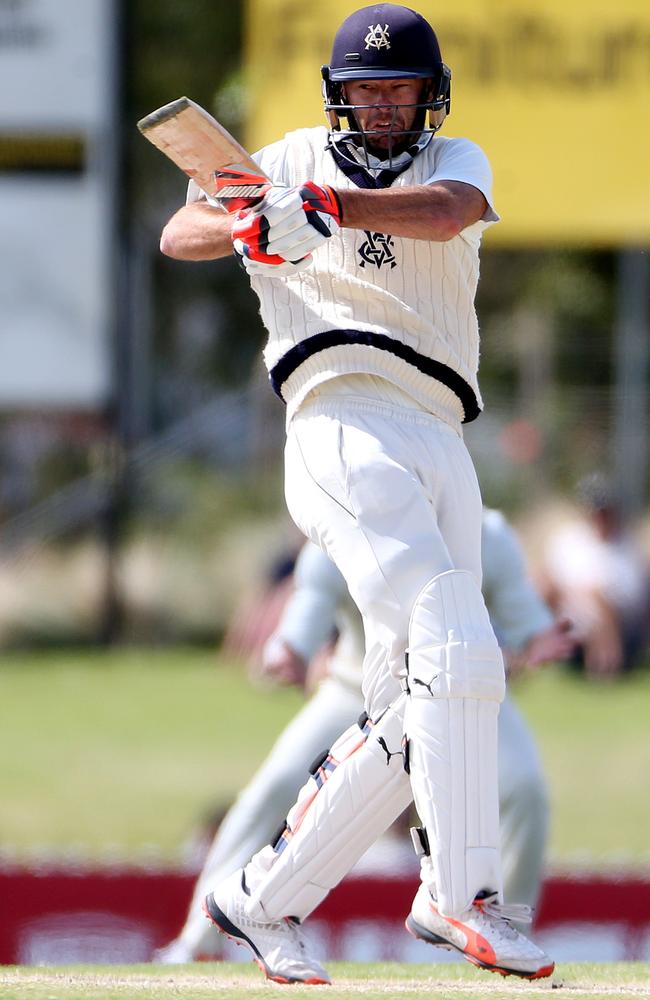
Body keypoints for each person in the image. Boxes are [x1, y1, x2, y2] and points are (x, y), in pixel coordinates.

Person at [160, 3, 555, 983]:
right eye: (367, 88)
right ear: (340, 96)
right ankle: (458, 895)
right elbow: (180, 231)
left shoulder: (453, 160)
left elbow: (445, 214)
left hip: (437, 431)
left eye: (401, 89)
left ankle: (262, 898)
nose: (383, 103)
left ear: (428, 97)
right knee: (453, 643)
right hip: (336, 414)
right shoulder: (287, 157)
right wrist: (251, 213)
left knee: (409, 701)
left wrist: (331, 209)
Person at [157, 510, 574, 964]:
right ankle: (199, 942)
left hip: (460, 695)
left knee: (524, 789)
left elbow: (525, 616)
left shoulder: (485, 534)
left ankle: (502, 936)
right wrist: (290, 650)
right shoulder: (343, 528)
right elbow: (307, 610)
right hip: (355, 688)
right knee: (271, 789)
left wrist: (539, 639)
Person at [542, 473, 650, 679]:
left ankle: (606, 664)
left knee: (598, 600)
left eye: (605, 512)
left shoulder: (627, 547)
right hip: (572, 624)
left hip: (619, 628)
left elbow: (629, 598)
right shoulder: (569, 541)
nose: (600, 518)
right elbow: (552, 582)